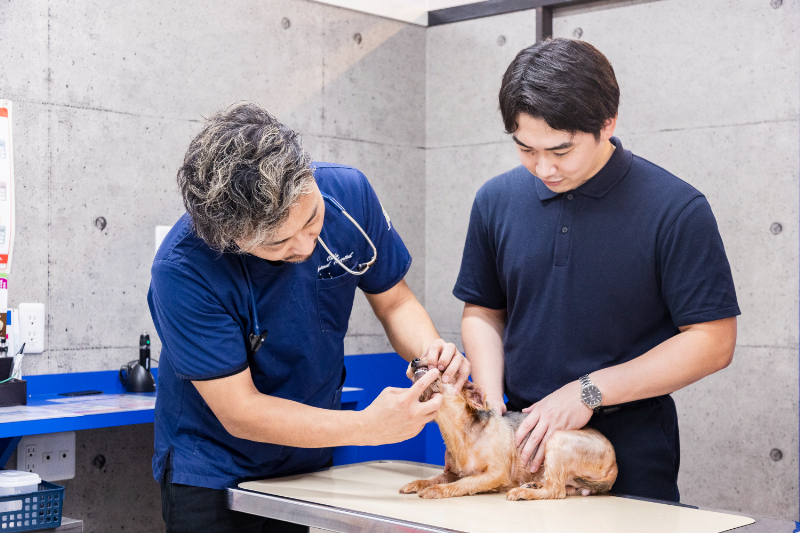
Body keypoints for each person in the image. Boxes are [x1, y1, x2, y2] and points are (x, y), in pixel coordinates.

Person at [149, 102, 469, 533]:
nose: (306, 244)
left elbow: (395, 302)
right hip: (213, 469)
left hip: (306, 459)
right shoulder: (184, 268)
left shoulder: (349, 194)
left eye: (313, 217)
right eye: (280, 242)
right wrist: (367, 427)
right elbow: (240, 410)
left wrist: (432, 356)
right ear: (232, 239)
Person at [453, 39, 739, 502]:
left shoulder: (676, 208)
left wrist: (588, 392)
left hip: (628, 443)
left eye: (561, 151)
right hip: (519, 438)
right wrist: (489, 404)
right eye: (526, 149)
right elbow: (483, 310)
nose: (543, 167)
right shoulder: (495, 200)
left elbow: (713, 340)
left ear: (608, 123)